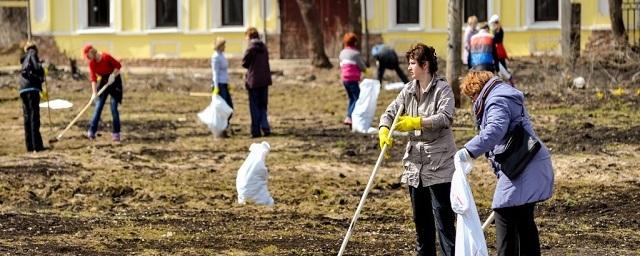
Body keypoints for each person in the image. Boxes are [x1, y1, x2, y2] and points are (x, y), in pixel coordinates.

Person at [456, 71, 554, 256]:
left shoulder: (496, 100)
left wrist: (468, 151)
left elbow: (495, 130)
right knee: (524, 220)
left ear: (477, 89)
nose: (472, 101)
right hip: (528, 164)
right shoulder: (502, 95)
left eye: (471, 97)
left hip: (524, 167)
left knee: (503, 212)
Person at [378, 43, 456, 256]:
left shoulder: (442, 89)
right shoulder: (408, 89)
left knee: (445, 226)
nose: (410, 68)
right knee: (422, 227)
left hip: (440, 166)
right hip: (415, 168)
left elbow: (445, 117)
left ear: (425, 65)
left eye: (413, 63)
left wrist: (417, 122)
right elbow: (390, 112)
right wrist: (384, 129)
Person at [83, 45, 123, 142]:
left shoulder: (106, 57)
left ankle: (116, 133)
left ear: (92, 52)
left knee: (113, 108)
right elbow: (93, 78)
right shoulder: (92, 63)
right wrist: (94, 93)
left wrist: (113, 75)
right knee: (98, 107)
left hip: (115, 81)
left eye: (88, 55)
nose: (87, 58)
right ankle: (92, 131)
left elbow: (118, 66)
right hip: (104, 82)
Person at [242, 27, 272, 138]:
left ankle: (255, 131)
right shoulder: (263, 47)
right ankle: (265, 127)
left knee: (254, 106)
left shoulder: (251, 48)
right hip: (264, 80)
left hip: (253, 81)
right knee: (263, 105)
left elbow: (244, 63)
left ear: (249, 36)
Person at [19, 41, 46, 152]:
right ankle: (37, 146)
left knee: (27, 116)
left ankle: (29, 146)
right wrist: (42, 68)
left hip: (23, 89)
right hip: (32, 88)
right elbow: (37, 67)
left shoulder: (24, 59)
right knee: (34, 117)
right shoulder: (32, 53)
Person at [338, 32, 367, 126]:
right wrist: (365, 70)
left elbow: (341, 65)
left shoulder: (342, 53)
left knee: (351, 98)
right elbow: (362, 67)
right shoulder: (355, 53)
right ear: (354, 43)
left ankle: (349, 116)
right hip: (353, 79)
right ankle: (350, 117)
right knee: (357, 98)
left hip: (344, 79)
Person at [211, 37, 233, 137]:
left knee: (229, 108)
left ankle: (224, 127)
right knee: (223, 109)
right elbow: (215, 73)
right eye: (224, 45)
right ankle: (221, 130)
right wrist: (216, 87)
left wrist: (227, 83)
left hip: (224, 84)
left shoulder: (222, 55)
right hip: (219, 84)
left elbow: (224, 71)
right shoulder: (215, 57)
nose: (225, 47)